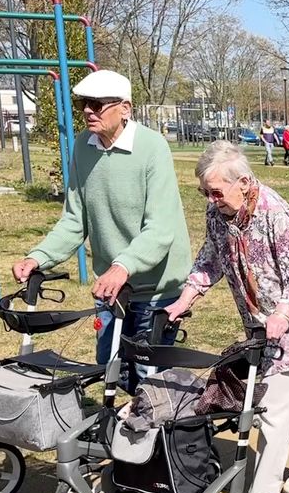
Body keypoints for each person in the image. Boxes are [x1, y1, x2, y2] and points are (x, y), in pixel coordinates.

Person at [164, 141, 289, 493]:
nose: (210, 199)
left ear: (243, 182)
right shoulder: (219, 213)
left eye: (216, 192)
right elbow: (211, 258)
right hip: (258, 323)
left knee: (271, 408)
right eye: (205, 192)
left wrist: (283, 312)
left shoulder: (275, 212)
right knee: (288, 399)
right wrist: (185, 298)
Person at [12, 69, 190, 392]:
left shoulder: (153, 148)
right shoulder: (83, 146)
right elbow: (74, 219)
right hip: (111, 288)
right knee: (112, 373)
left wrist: (123, 266)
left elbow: (161, 228)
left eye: (96, 104)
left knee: (150, 383)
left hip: (155, 288)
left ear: (125, 108)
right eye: (83, 104)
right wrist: (38, 258)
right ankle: (123, 438)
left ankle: (157, 441)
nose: (87, 111)